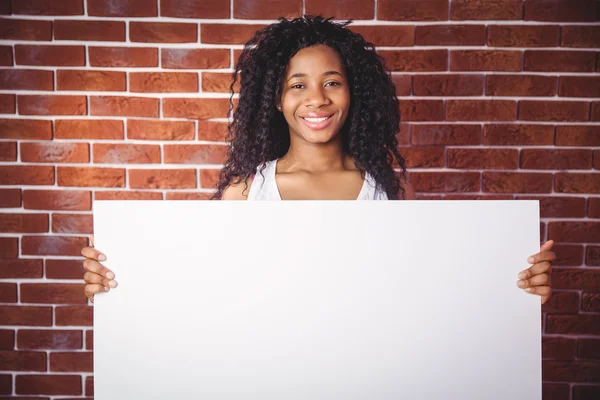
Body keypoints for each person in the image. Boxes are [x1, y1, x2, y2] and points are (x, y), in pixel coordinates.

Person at [82, 16, 555, 303]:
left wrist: (513, 286)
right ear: (274, 99)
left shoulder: (389, 192)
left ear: (353, 92)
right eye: (297, 85)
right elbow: (202, 286)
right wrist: (121, 283)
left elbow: (431, 289)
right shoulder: (245, 193)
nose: (317, 99)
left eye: (332, 81)